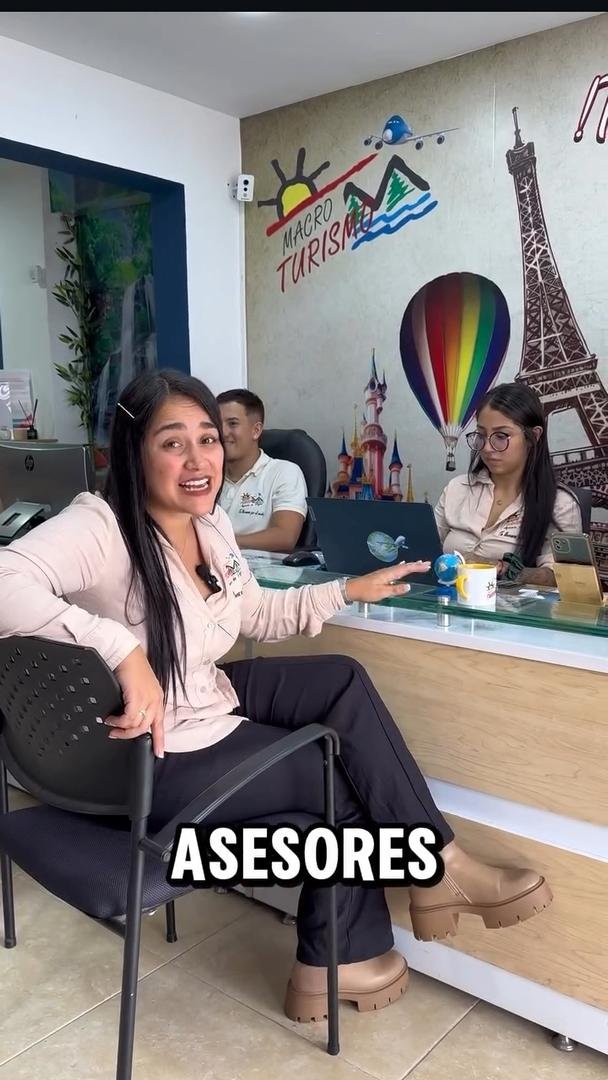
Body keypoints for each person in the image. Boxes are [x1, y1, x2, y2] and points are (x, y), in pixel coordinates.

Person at [0, 369, 552, 1023]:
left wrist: (347, 591)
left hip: (200, 694)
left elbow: (257, 614)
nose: (199, 459)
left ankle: (439, 866)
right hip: (155, 746)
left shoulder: (210, 525)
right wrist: (120, 649)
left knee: (340, 678)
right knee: (335, 777)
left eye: (208, 439)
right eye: (173, 442)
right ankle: (337, 957)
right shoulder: (102, 525)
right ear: (134, 450)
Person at [435, 382, 582, 587]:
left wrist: (499, 569)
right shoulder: (457, 488)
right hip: (447, 601)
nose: (487, 448)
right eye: (481, 435)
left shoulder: (560, 504)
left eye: (501, 436)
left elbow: (564, 579)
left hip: (513, 607)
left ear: (533, 436)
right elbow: (425, 548)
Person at [217, 388, 307, 553]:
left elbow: (285, 537)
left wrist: (220, 543)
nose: (222, 432)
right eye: (216, 423)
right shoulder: (207, 476)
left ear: (256, 430)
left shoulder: (284, 472)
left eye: (232, 423)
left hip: (261, 568)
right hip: (210, 565)